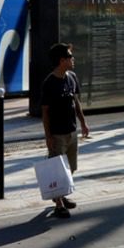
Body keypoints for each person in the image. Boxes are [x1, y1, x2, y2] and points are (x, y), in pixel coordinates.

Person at [41, 42, 89, 218]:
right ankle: (59, 204)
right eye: (70, 57)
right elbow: (45, 112)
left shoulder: (72, 77)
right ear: (62, 61)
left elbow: (76, 102)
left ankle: (63, 194)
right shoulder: (49, 83)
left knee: (71, 167)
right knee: (57, 169)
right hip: (57, 133)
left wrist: (83, 123)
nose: (73, 59)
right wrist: (48, 136)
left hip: (71, 130)